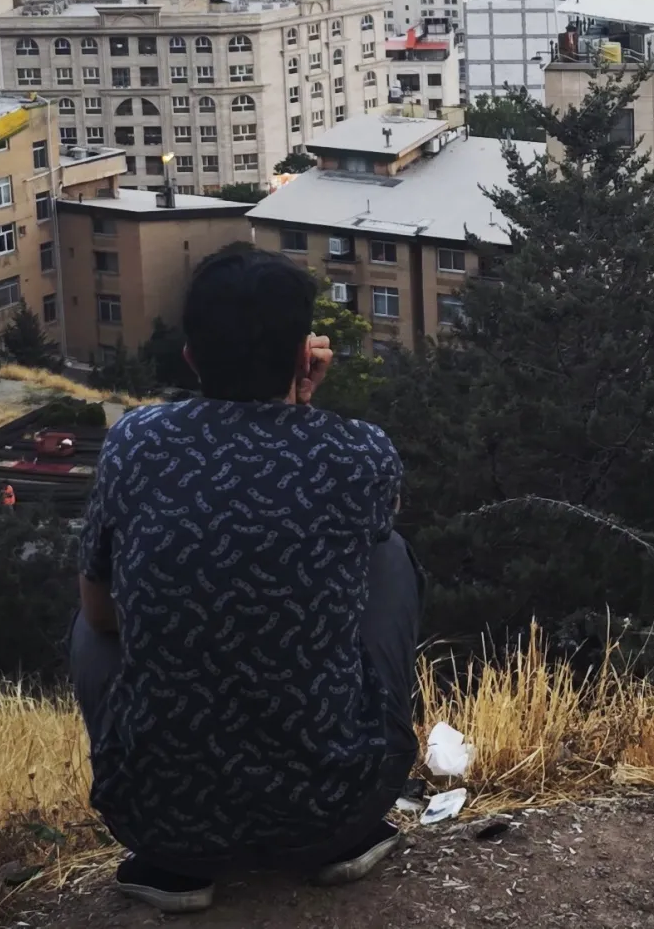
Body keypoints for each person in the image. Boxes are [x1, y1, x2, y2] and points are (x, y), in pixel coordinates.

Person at [71, 247, 419, 914]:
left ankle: (178, 870)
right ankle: (338, 834)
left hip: (160, 825)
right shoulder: (361, 452)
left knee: (91, 620)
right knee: (390, 556)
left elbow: (103, 617)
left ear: (192, 357)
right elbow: (355, 541)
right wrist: (303, 402)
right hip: (336, 814)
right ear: (302, 356)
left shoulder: (136, 441)